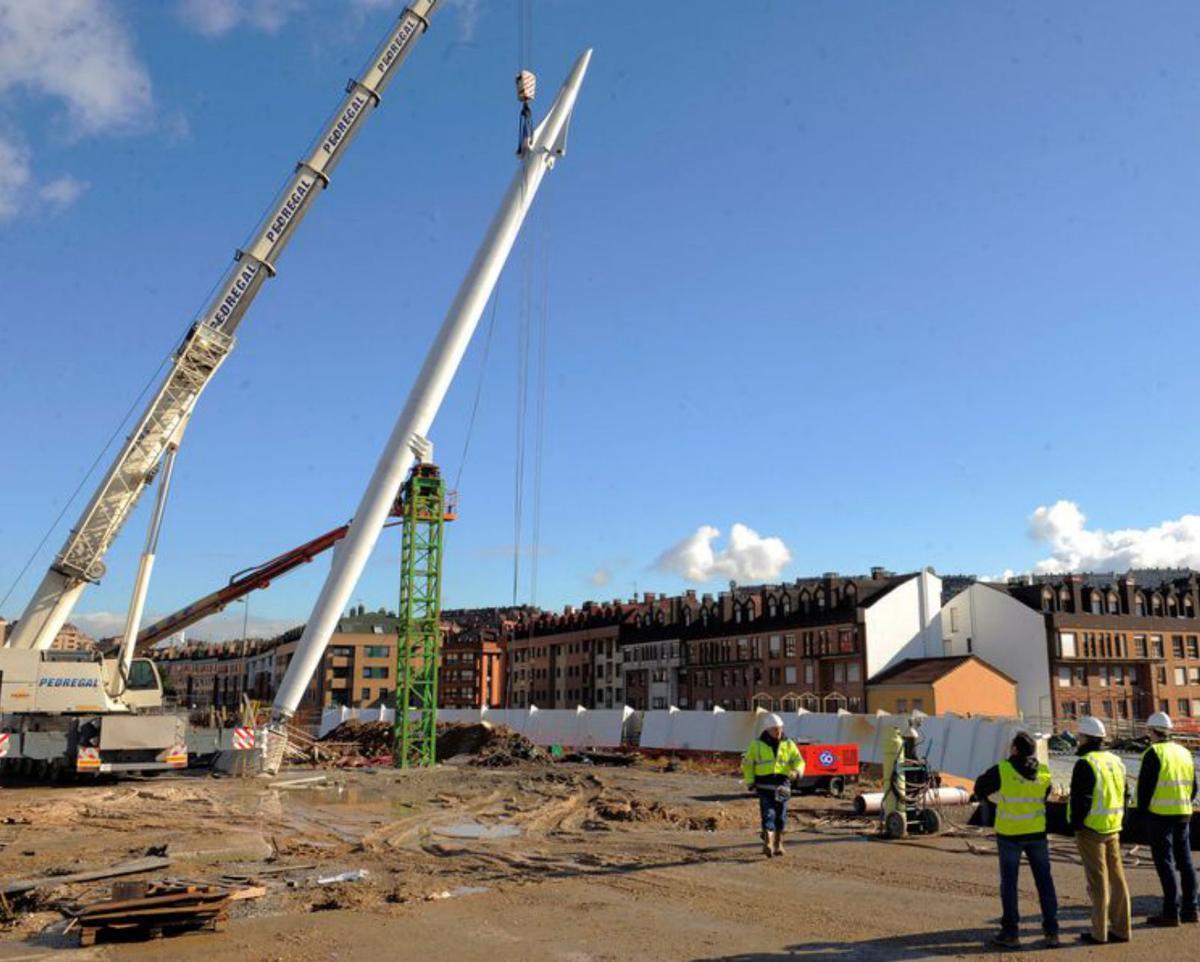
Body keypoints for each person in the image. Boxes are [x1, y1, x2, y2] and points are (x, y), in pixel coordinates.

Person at [973, 731, 1059, 949]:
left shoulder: (1003, 770)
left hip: (1010, 835)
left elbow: (979, 787)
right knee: (1045, 883)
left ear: (1015, 749)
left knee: (1010, 884)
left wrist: (996, 800)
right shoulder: (1045, 772)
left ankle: (1011, 933)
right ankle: (1052, 932)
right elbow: (1045, 794)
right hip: (1037, 833)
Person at [1069, 715, 1131, 945]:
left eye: (1079, 736)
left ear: (1086, 738)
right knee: (1117, 879)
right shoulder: (1115, 760)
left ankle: (1099, 933)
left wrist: (1075, 826)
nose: (1077, 740)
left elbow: (1081, 800)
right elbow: (1125, 793)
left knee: (1098, 882)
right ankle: (1122, 929)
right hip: (1113, 825)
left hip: (1091, 828)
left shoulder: (1086, 763)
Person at [1136, 711, 1198, 927]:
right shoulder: (1184, 752)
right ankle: (1191, 909)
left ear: (1152, 731)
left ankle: (1171, 912)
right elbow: (1194, 787)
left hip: (1160, 816)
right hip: (1183, 813)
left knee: (1166, 863)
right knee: (1186, 861)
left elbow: (1145, 789)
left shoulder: (1153, 753)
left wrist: (1141, 814)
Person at [742, 713, 804, 857]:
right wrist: (750, 781)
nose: (778, 732)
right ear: (767, 730)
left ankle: (778, 843)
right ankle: (768, 844)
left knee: (781, 816)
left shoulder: (789, 744)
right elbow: (748, 765)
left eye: (780, 728)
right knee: (768, 814)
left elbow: (799, 761)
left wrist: (797, 771)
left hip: (783, 785)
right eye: (775, 729)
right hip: (764, 786)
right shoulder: (756, 744)